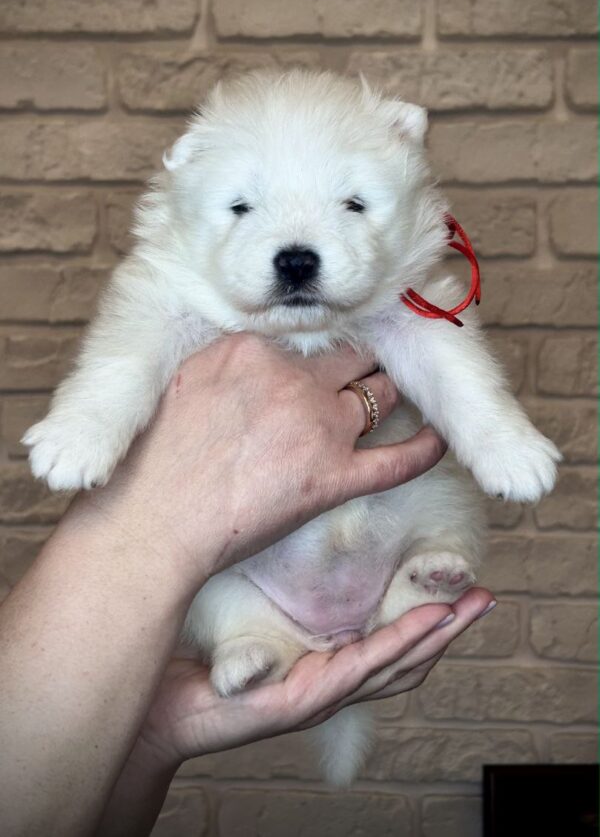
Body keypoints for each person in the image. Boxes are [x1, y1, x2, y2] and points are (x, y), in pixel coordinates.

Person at [0, 334, 495, 836]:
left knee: (436, 503)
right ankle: (256, 636)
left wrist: (149, 736)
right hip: (264, 581)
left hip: (375, 537)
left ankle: (399, 599)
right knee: (212, 584)